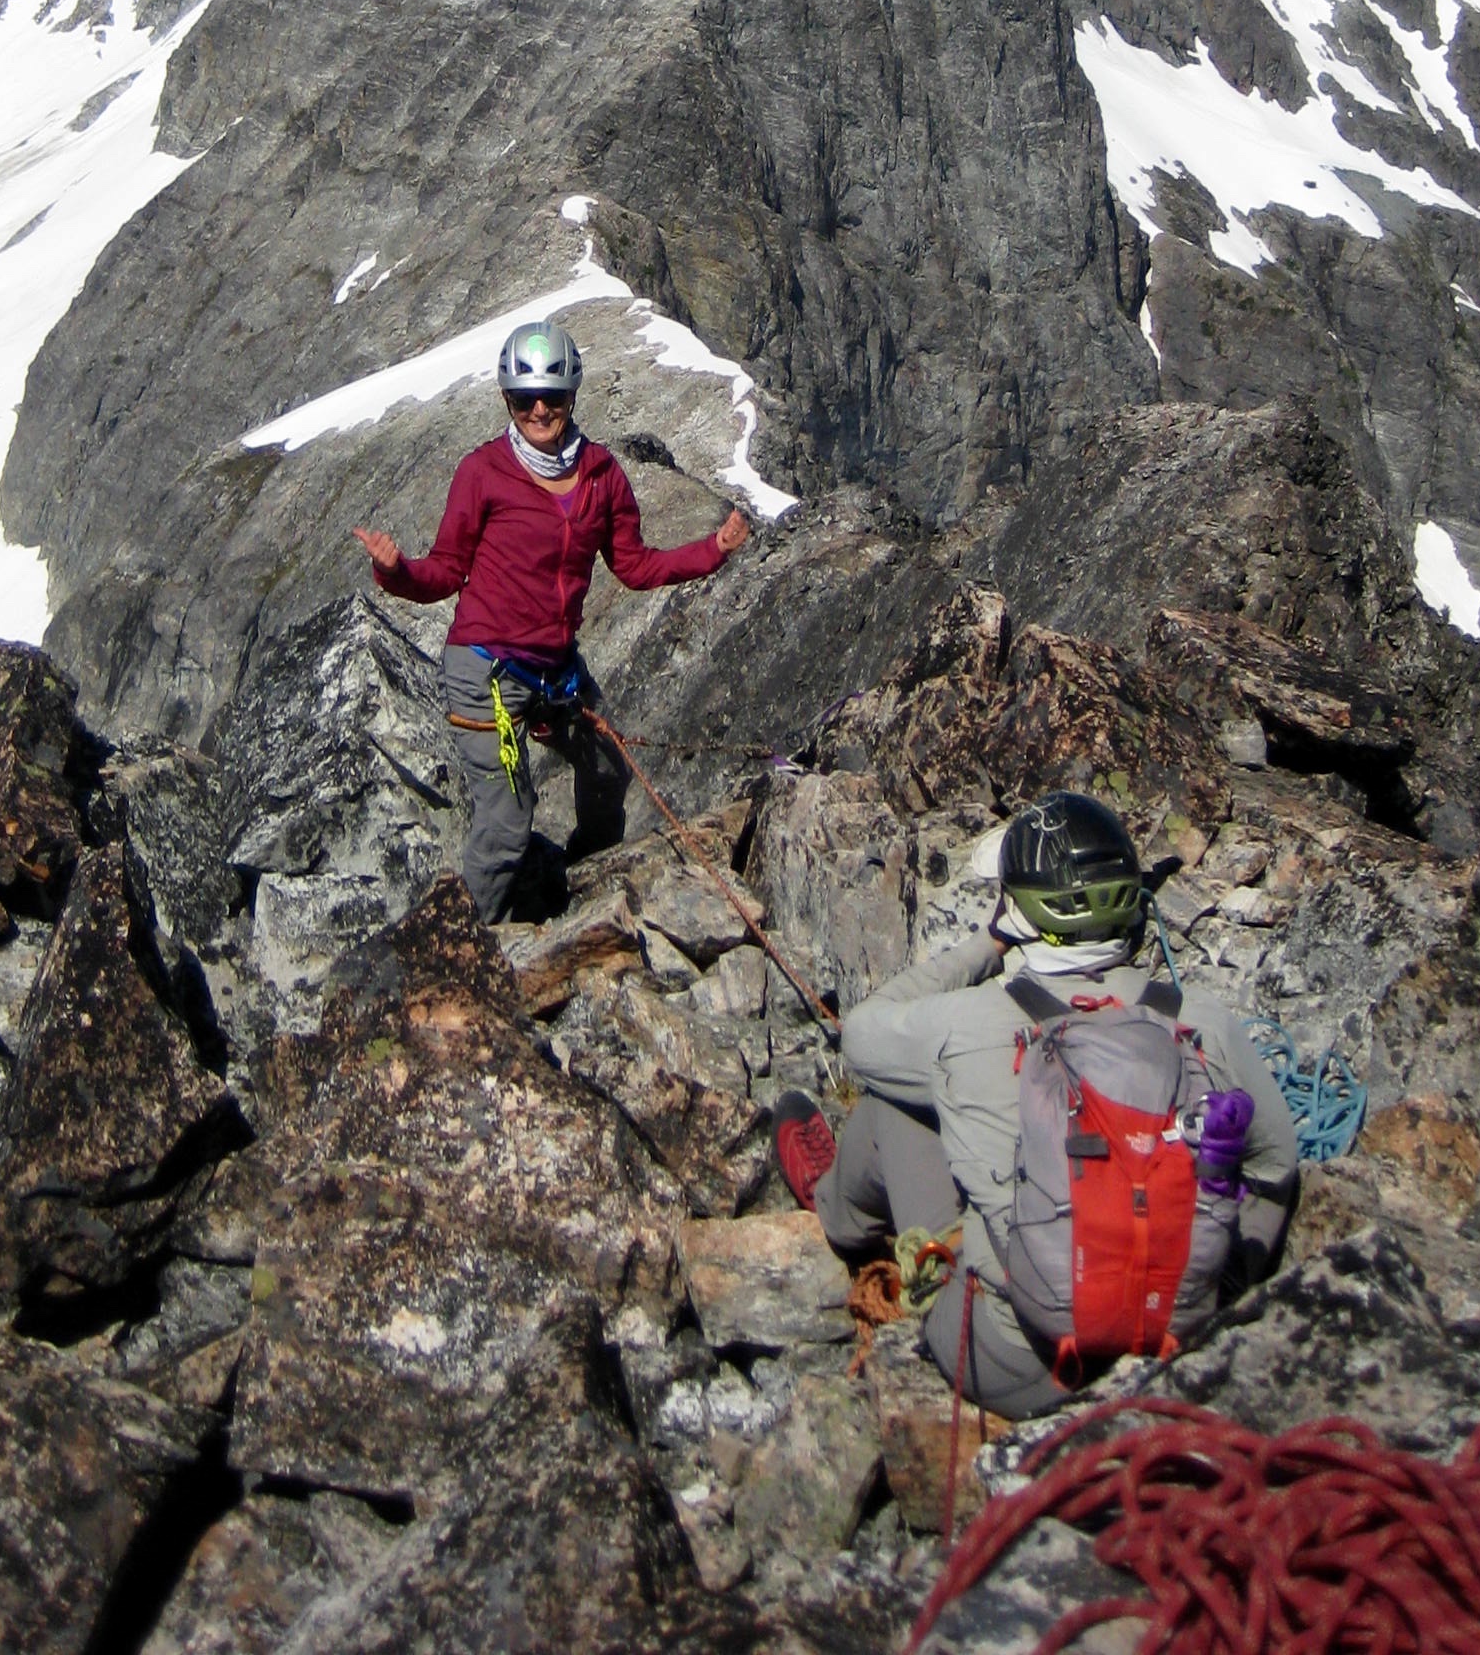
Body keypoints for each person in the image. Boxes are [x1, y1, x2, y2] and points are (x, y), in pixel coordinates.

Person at [772, 791, 1300, 1419]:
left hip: (1017, 1357)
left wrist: (989, 943)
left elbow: (862, 1034)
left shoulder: (964, 1025)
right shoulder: (1200, 1020)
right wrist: (1222, 1282)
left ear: (1022, 914)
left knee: (890, 1106)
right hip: (1177, 1340)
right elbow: (1277, 1167)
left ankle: (837, 1214)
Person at [354, 319, 752, 919]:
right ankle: (468, 951)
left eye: (552, 397)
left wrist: (714, 550)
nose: (539, 410)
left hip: (557, 672)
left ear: (573, 394)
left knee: (606, 774)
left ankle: (581, 894)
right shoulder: (483, 473)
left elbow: (635, 566)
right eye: (523, 399)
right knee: (507, 824)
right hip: (486, 671)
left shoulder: (602, 476)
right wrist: (396, 571)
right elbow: (445, 571)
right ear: (507, 401)